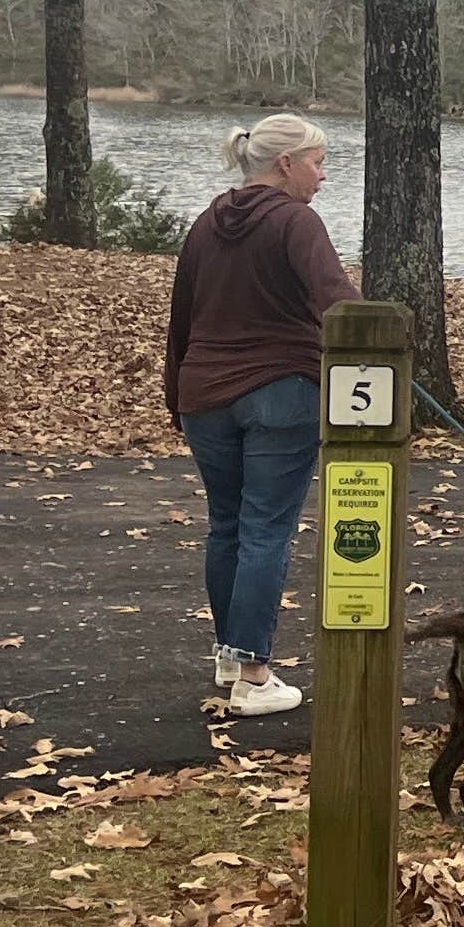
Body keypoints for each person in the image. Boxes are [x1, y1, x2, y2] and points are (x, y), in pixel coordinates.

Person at [163, 114, 355, 715]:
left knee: (227, 525)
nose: (323, 176)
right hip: (283, 390)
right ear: (286, 164)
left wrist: (176, 397)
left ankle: (230, 657)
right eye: (318, 163)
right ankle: (255, 675)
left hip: (204, 393)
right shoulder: (296, 221)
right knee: (265, 529)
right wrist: (388, 348)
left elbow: (182, 318)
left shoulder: (206, 222)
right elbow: (340, 303)